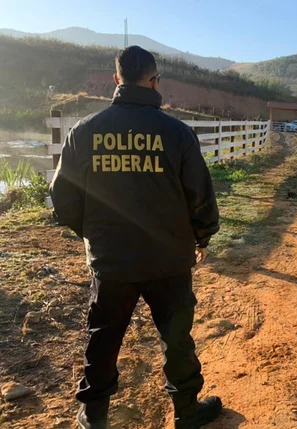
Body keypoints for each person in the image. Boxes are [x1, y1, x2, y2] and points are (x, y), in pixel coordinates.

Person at [50, 46, 221, 429]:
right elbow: (200, 196)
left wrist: (93, 234)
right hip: (169, 261)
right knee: (176, 337)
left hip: (112, 262)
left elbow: (63, 199)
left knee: (103, 339)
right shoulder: (177, 133)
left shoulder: (85, 131)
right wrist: (203, 237)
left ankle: (94, 418)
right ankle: (187, 414)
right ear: (154, 80)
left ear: (116, 80)